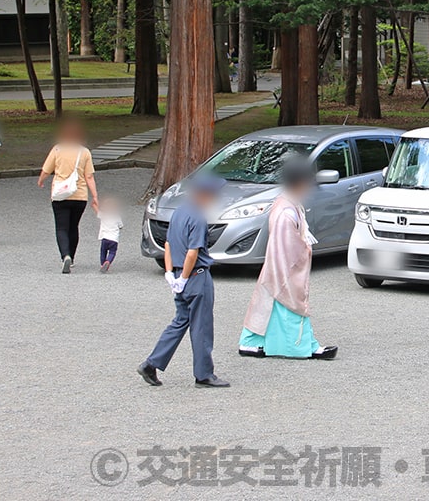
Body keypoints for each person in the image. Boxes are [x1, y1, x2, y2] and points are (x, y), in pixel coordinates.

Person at [238, 158, 338, 360]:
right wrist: (305, 251)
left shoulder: (287, 204)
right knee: (291, 305)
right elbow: (288, 247)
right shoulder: (286, 212)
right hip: (284, 268)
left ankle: (251, 342)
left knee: (266, 306)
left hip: (277, 267)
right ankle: (302, 345)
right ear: (299, 184)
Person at [138, 175, 230, 388]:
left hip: (179, 273)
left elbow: (168, 245)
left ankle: (152, 363)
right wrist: (185, 277)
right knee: (202, 326)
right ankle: (204, 374)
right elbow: (192, 252)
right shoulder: (197, 217)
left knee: (180, 321)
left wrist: (171, 274)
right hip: (196, 276)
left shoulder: (179, 213)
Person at [37, 118, 98, 273]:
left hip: (60, 194)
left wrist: (41, 180)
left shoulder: (57, 149)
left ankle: (65, 255)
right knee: (74, 226)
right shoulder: (84, 152)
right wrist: (95, 196)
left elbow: (46, 169)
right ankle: (72, 257)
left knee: (61, 227)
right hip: (79, 195)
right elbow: (89, 176)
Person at [97, 197, 123, 273]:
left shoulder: (103, 215)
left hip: (104, 237)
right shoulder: (117, 216)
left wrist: (94, 204)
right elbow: (121, 225)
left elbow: (97, 211)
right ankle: (108, 261)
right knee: (112, 252)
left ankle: (102, 264)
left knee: (103, 251)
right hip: (114, 238)